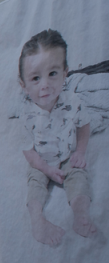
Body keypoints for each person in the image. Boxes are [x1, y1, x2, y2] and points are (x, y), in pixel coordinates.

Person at [17, 29, 96, 246]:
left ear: (65, 73)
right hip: (40, 160)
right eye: (35, 78)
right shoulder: (26, 114)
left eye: (53, 73)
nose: (45, 84)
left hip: (67, 154)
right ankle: (37, 220)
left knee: (79, 176)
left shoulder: (73, 101)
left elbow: (84, 125)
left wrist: (80, 151)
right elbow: (29, 153)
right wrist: (46, 169)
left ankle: (80, 216)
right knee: (35, 183)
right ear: (23, 85)